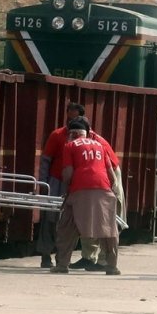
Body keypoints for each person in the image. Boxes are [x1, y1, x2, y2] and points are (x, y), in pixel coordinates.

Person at [50, 117, 121, 275]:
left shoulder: (69, 145)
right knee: (108, 229)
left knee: (66, 227)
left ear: (73, 134)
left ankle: (62, 265)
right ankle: (112, 266)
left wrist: (67, 189)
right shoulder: (100, 146)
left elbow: (68, 174)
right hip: (104, 190)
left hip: (79, 190)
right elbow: (112, 174)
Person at [69, 127, 125, 271]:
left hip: (106, 179)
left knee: (104, 223)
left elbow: (110, 169)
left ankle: (104, 261)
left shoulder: (96, 142)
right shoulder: (82, 141)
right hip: (100, 180)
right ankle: (90, 257)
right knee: (90, 220)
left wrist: (111, 190)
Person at [37, 102, 85, 267]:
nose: (72, 120)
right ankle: (45, 255)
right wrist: (44, 184)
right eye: (70, 116)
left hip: (74, 184)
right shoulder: (57, 135)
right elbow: (46, 160)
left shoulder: (85, 137)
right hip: (56, 182)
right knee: (50, 219)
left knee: (68, 221)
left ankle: (62, 257)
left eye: (75, 116)